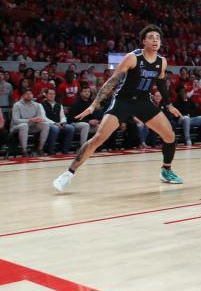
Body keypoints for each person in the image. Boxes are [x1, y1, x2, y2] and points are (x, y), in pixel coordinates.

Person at [52, 25, 183, 192]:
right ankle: (68, 174)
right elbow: (112, 81)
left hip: (144, 102)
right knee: (99, 137)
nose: (155, 40)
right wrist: (94, 105)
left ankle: (166, 170)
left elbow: (161, 83)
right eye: (151, 37)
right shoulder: (133, 57)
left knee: (170, 135)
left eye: (157, 37)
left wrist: (169, 104)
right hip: (123, 101)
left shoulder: (161, 61)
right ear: (144, 41)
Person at [10, 88, 50, 156]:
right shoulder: (17, 105)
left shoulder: (37, 105)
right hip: (16, 126)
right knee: (24, 125)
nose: (29, 95)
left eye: (30, 94)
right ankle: (24, 151)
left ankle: (40, 149)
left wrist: (38, 119)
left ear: (33, 95)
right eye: (26, 94)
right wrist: (31, 120)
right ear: (23, 95)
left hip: (32, 126)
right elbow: (16, 120)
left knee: (46, 124)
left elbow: (40, 117)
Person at [42, 88, 80, 155]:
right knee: (55, 129)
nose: (52, 95)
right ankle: (51, 150)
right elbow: (43, 117)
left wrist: (63, 122)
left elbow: (62, 116)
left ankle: (65, 150)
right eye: (50, 94)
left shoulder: (59, 105)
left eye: (53, 94)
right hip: (48, 124)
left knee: (71, 128)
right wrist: (55, 123)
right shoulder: (41, 105)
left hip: (59, 123)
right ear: (46, 95)